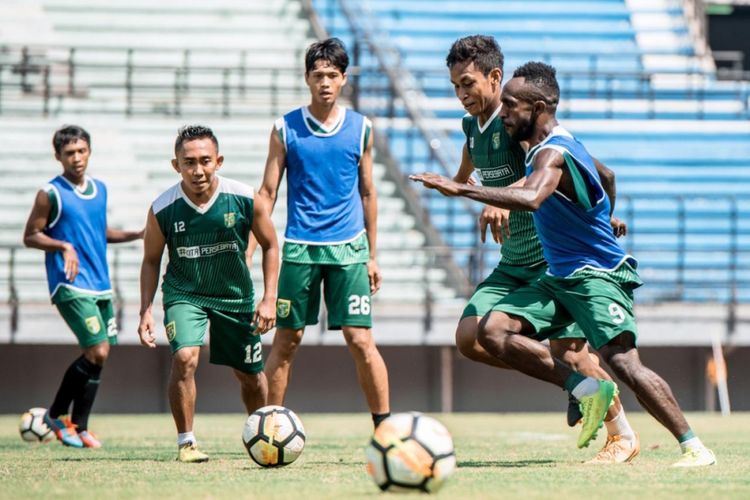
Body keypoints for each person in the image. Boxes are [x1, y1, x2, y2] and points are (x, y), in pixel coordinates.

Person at [411, 62, 716, 467]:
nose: (503, 114)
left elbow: (533, 197)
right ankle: (584, 390)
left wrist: (464, 189)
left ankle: (694, 447)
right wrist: (603, 211)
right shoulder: (547, 144)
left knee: (624, 362)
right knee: (492, 331)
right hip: (558, 275)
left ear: (536, 108)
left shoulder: (552, 153)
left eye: (510, 107)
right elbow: (606, 175)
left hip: (594, 275)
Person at [445, 35, 637, 463]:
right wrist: (466, 185)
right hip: (513, 262)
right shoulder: (469, 129)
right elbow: (469, 167)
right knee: (470, 338)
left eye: (468, 84)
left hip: (551, 260)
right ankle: (576, 386)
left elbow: (579, 171)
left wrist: (600, 218)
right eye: (456, 85)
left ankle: (621, 435)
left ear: (495, 78)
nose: (461, 94)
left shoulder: (519, 126)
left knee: (569, 351)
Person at [252, 38, 390, 428]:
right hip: (299, 250)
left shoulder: (362, 128)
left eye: (332, 75)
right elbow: (267, 192)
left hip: (349, 251)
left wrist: (372, 254)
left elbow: (368, 191)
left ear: (344, 78)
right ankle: (269, 426)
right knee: (286, 341)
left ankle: (384, 428)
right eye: (318, 75)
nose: (325, 82)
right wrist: (251, 246)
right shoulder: (284, 128)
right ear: (307, 79)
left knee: (360, 340)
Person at [137, 125, 279, 463]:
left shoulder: (244, 198)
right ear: (176, 166)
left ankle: (263, 438)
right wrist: (145, 309)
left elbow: (272, 245)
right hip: (185, 293)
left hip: (234, 297)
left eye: (205, 161)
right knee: (185, 357)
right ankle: (186, 443)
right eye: (188, 162)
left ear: (219, 161)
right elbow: (151, 260)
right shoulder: (162, 208)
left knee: (250, 374)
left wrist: (269, 297)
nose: (197, 170)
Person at [23, 125, 144, 448]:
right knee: (97, 349)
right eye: (69, 153)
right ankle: (56, 414)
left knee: (100, 356)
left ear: (89, 151)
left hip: (101, 285)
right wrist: (63, 246)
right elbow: (30, 235)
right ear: (58, 157)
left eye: (81, 151)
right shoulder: (49, 193)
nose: (76, 158)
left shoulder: (99, 189)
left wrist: (136, 234)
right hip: (70, 284)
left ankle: (79, 426)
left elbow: (98, 231)